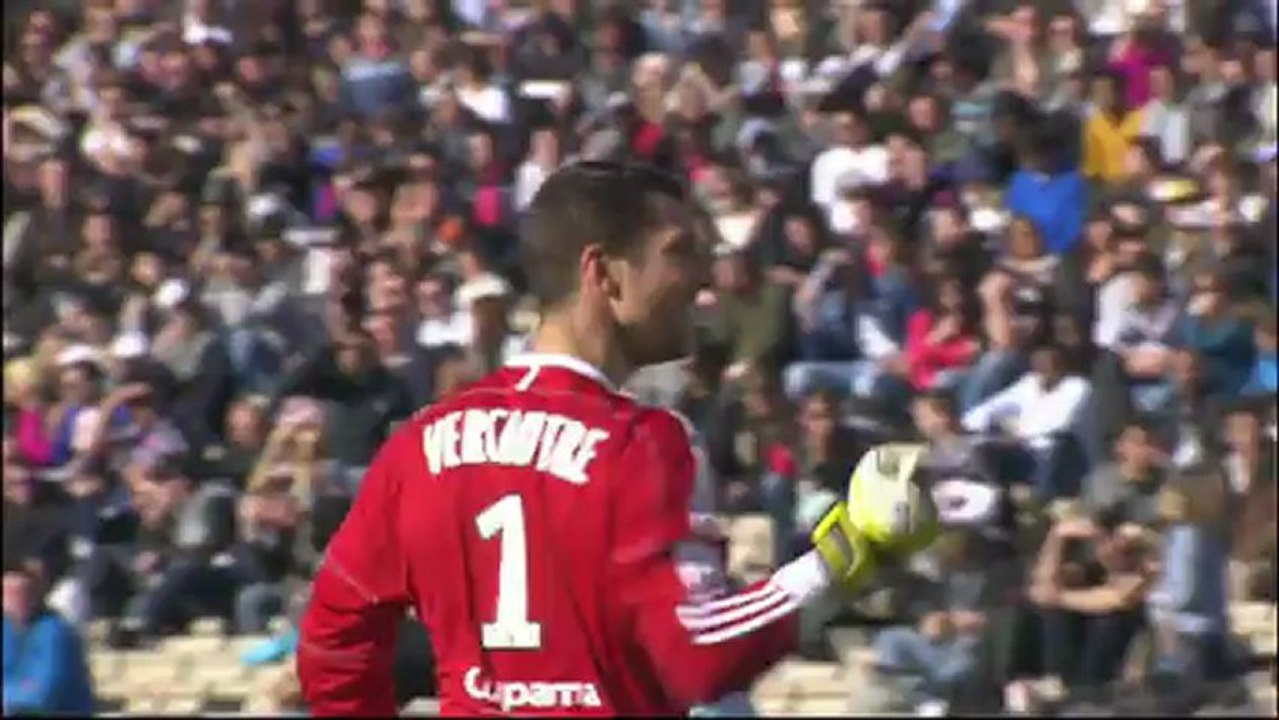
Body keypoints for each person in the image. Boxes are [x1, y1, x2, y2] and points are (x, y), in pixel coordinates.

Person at [296, 161, 940, 716]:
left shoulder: (422, 444)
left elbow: (333, 641)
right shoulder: (642, 443)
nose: (703, 277)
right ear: (603, 274)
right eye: (680, 250)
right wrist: (851, 547)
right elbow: (701, 655)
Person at [2, 557, 96, 716]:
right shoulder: (6, 629)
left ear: (39, 595)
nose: (15, 601)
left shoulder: (56, 633)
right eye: (8, 594)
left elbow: (42, 694)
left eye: (23, 593)